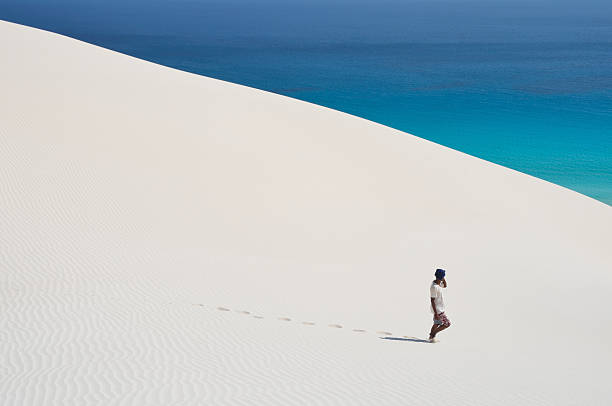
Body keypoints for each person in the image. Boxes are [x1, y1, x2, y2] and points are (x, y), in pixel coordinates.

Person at [429, 268, 451, 343]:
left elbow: (445, 285)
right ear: (441, 277)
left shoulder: (438, 284)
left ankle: (431, 338)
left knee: (437, 323)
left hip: (439, 308)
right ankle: (433, 333)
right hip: (438, 310)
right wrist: (436, 313)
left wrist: (443, 278)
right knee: (447, 324)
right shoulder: (434, 287)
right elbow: (432, 300)